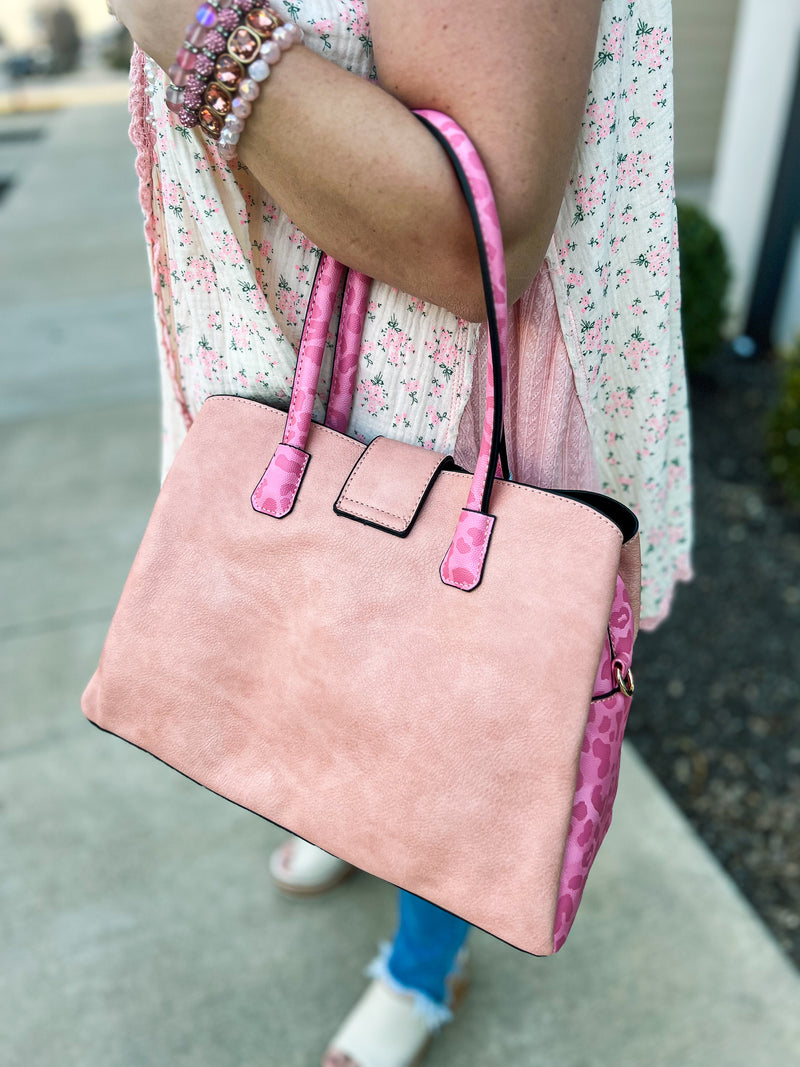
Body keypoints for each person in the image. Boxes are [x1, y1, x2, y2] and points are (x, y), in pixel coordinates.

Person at [111, 0, 692, 1063]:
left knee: (452, 708)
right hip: (279, 353)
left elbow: (466, 230)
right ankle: (335, 805)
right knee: (322, 639)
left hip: (449, 381)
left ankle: (422, 967)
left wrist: (185, 25)